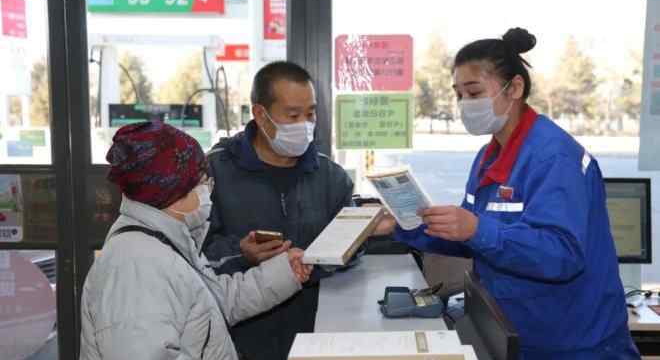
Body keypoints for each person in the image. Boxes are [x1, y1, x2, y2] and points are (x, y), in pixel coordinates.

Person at [377, 28, 639, 359]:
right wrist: (400, 224)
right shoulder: (489, 157)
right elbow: (469, 237)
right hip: (516, 333)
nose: (464, 105)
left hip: (575, 344)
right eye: (459, 95)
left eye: (473, 93)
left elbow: (561, 256)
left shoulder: (553, 157)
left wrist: (476, 228)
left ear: (514, 87)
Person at [79, 122, 313, 360]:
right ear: (172, 189)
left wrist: (285, 272)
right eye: (201, 182)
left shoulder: (163, 241)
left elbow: (212, 302)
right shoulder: (135, 267)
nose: (207, 191)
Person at [202, 61, 354, 360]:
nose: (305, 124)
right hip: (242, 336)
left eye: (310, 114)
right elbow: (194, 252)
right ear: (260, 114)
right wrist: (241, 254)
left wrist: (360, 233)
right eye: (293, 115)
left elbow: (350, 249)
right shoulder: (214, 171)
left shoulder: (329, 175)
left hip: (315, 331)